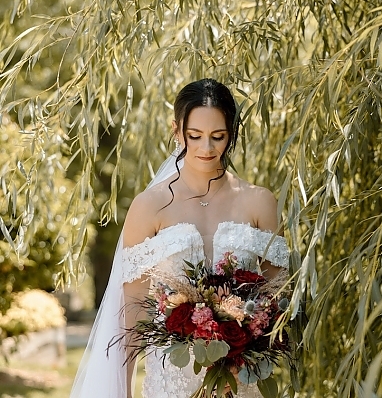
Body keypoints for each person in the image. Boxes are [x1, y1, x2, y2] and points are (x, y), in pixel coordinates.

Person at [70, 78, 289, 398]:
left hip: (240, 380)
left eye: (218, 136)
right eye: (195, 136)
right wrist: (124, 387)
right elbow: (132, 302)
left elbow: (278, 292)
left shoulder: (259, 201)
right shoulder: (150, 206)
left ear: (232, 133)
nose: (206, 148)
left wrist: (252, 333)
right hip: (170, 380)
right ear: (177, 131)